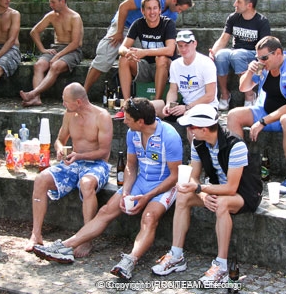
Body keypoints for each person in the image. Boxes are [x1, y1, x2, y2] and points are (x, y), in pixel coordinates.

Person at [32, 97, 182, 280]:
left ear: (141, 122)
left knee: (149, 218)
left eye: (127, 118)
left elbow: (174, 176)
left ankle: (130, 260)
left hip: (164, 185)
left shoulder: (169, 135)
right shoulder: (132, 133)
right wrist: (126, 191)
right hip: (141, 180)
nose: (124, 121)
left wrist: (147, 196)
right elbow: (131, 166)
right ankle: (65, 246)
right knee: (106, 210)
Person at [151, 104, 262, 286]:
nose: (189, 130)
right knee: (183, 195)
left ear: (203, 129)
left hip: (245, 194)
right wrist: (201, 194)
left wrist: (201, 189)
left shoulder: (236, 145)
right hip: (215, 190)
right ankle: (176, 255)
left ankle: (221, 266)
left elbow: (231, 188)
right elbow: (194, 177)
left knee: (222, 203)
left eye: (191, 127)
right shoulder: (198, 142)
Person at [25, 83, 112, 255]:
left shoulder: (102, 116)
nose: (63, 104)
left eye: (66, 101)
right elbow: (59, 139)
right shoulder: (69, 115)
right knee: (41, 179)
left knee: (86, 184)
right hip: (73, 162)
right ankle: (36, 234)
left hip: (97, 164)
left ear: (78, 102)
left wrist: (79, 156)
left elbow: (104, 151)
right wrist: (59, 149)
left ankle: (86, 240)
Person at [227, 36, 286, 194]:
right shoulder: (263, 67)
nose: (261, 61)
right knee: (233, 115)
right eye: (258, 58)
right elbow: (243, 88)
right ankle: (240, 171)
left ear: (278, 53)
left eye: (264, 58)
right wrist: (250, 71)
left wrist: (263, 121)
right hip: (266, 111)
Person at [83, 0, 193, 93]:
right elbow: (123, 7)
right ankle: (84, 92)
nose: (179, 12)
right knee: (105, 57)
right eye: (180, 9)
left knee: (142, 57)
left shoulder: (172, 15)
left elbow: (165, 36)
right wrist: (119, 32)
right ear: (174, 1)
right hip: (124, 25)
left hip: (144, 32)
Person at [209, 0, 270, 110]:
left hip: (252, 54)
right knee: (220, 56)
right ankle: (225, 94)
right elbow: (223, 39)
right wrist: (213, 53)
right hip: (235, 52)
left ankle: (250, 95)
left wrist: (260, 67)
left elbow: (265, 47)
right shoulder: (233, 18)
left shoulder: (262, 21)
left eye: (238, 2)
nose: (234, 4)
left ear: (249, 5)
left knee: (237, 55)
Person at [114, 0, 176, 116]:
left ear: (160, 10)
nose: (152, 12)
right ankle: (126, 105)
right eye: (148, 8)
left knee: (161, 58)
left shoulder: (168, 24)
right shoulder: (138, 24)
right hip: (146, 67)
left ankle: (155, 105)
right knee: (123, 59)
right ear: (143, 11)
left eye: (155, 8)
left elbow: (170, 50)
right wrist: (127, 52)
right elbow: (122, 48)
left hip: (166, 68)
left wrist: (145, 52)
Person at [20, 0, 83, 107]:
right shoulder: (51, 16)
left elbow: (75, 43)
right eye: (50, 2)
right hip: (56, 47)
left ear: (62, 1)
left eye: (53, 2)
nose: (50, 5)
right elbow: (34, 32)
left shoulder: (75, 17)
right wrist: (43, 49)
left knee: (55, 66)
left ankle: (32, 94)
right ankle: (36, 99)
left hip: (72, 50)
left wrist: (58, 56)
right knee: (38, 65)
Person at [156, 30, 219, 122]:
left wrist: (187, 107)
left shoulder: (206, 63)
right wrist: (169, 104)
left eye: (186, 45)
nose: (183, 49)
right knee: (151, 107)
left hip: (206, 106)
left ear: (195, 44)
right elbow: (173, 91)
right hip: (185, 104)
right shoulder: (175, 64)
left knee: (188, 116)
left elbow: (210, 96)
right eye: (180, 46)